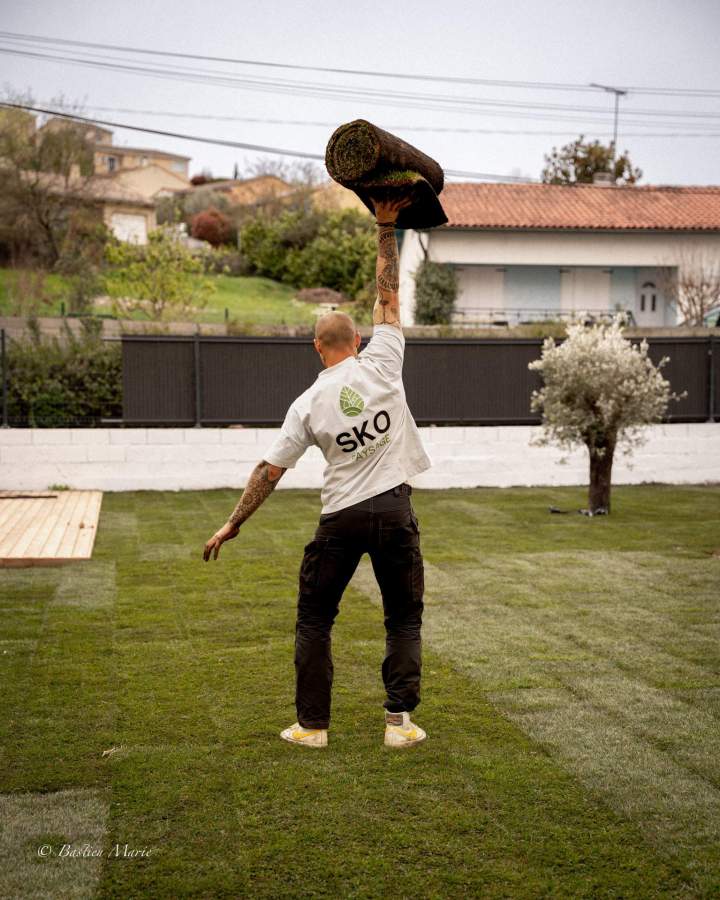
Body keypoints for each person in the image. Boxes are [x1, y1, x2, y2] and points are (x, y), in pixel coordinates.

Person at [203, 196, 432, 749]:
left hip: (340, 520)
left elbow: (269, 471)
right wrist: (384, 225)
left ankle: (312, 728)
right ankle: (398, 726)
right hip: (395, 510)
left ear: (316, 348)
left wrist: (233, 522)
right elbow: (388, 292)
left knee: (314, 621)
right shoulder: (383, 359)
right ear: (357, 341)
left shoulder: (305, 404)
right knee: (402, 619)